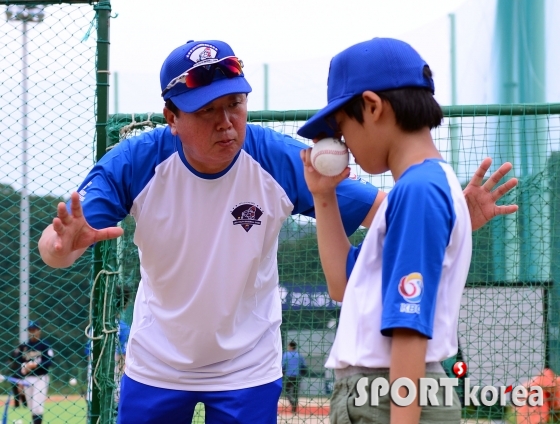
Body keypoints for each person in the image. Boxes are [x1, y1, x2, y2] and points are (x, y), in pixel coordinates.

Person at [37, 39, 517, 424]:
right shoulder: (135, 162)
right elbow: (56, 243)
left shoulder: (276, 157)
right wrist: (62, 247)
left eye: (235, 104)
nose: (227, 122)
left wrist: (454, 214)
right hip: (159, 360)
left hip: (247, 362)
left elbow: (385, 211)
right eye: (207, 111)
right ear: (171, 118)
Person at [298, 37, 475, 424]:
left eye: (342, 126)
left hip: (391, 394)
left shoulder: (417, 190)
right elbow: (343, 283)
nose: (342, 143)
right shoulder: (416, 188)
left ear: (373, 107)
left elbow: (409, 326)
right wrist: (323, 197)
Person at [11, 321, 54, 424]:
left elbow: (49, 361)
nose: (32, 332)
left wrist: (36, 365)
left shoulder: (44, 345)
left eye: (34, 330)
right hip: (27, 378)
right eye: (30, 330)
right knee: (31, 406)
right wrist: (20, 377)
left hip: (40, 377)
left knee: (37, 406)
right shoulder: (25, 346)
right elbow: (18, 362)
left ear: (39, 330)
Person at [281, 341, 307, 413]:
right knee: (295, 393)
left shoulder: (286, 355)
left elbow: (283, 365)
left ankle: (292, 402)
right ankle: (294, 408)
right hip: (297, 377)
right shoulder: (299, 355)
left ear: (290, 346)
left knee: (286, 391)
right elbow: (304, 365)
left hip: (289, 376)